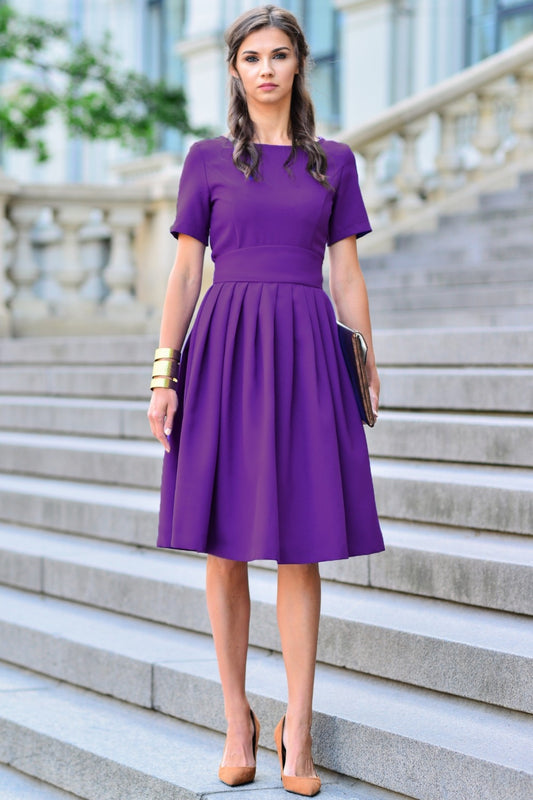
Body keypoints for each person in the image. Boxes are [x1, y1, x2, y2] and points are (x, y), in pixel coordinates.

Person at [147, 4, 384, 796]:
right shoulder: (207, 160)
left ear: (297, 67)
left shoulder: (333, 163)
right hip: (224, 351)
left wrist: (367, 362)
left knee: (302, 544)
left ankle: (300, 728)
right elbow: (185, 273)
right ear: (235, 70)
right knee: (225, 542)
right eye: (252, 56)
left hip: (307, 348)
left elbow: (346, 273)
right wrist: (164, 372)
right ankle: (237, 718)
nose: (266, 68)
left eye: (279, 55)